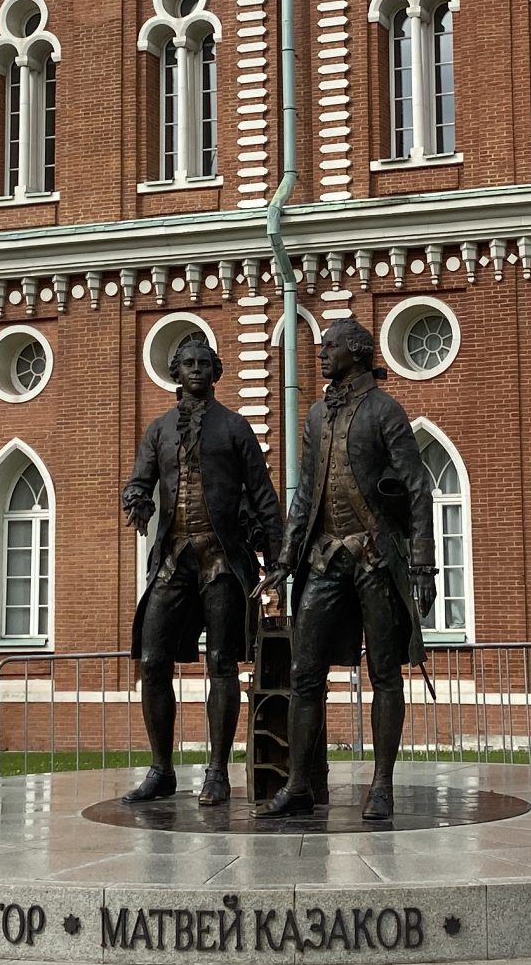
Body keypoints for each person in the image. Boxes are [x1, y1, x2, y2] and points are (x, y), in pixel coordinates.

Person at [257, 316, 434, 822]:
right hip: (325, 559)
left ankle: (381, 786)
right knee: (303, 671)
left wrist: (423, 565)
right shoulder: (316, 416)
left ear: (355, 352)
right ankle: (298, 784)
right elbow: (305, 493)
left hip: (375, 559)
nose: (321, 353)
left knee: (385, 673)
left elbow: (417, 488)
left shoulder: (385, 411)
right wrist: (287, 559)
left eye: (330, 345)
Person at [119, 335, 283, 806]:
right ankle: (161, 770)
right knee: (152, 660)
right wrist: (136, 502)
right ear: (175, 372)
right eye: (187, 362)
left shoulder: (235, 427)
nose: (195, 369)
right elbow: (138, 481)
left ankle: (216, 771)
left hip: (221, 560)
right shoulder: (159, 429)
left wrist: (277, 563)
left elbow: (264, 496)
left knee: (222, 663)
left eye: (204, 363)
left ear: (216, 372)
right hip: (173, 558)